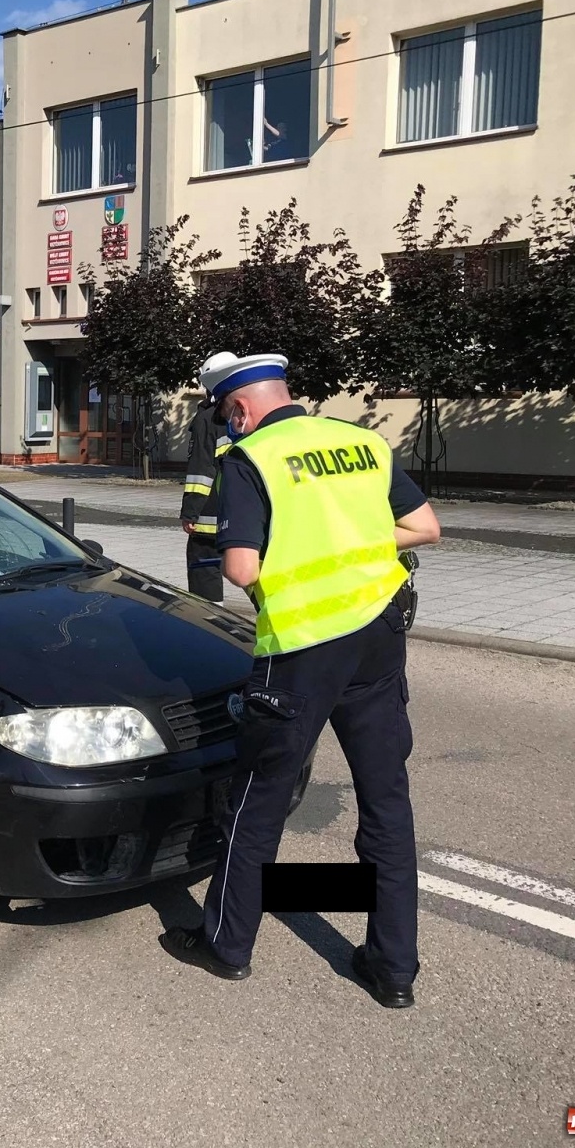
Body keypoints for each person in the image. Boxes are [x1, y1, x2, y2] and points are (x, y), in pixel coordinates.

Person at [159, 351, 440, 1009]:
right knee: (387, 801)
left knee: (256, 800)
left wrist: (296, 565)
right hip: (377, 637)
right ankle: (394, 969)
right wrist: (355, 554)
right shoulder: (360, 442)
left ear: (238, 408)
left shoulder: (250, 459)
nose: (228, 426)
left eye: (225, 417)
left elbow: (241, 568)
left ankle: (227, 945)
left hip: (303, 648)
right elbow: (424, 528)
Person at [180, 390, 229, 602]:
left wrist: (190, 513)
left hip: (211, 516)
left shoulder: (209, 418)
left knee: (204, 569)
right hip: (247, 512)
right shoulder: (250, 416)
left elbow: (200, 470)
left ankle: (211, 617)